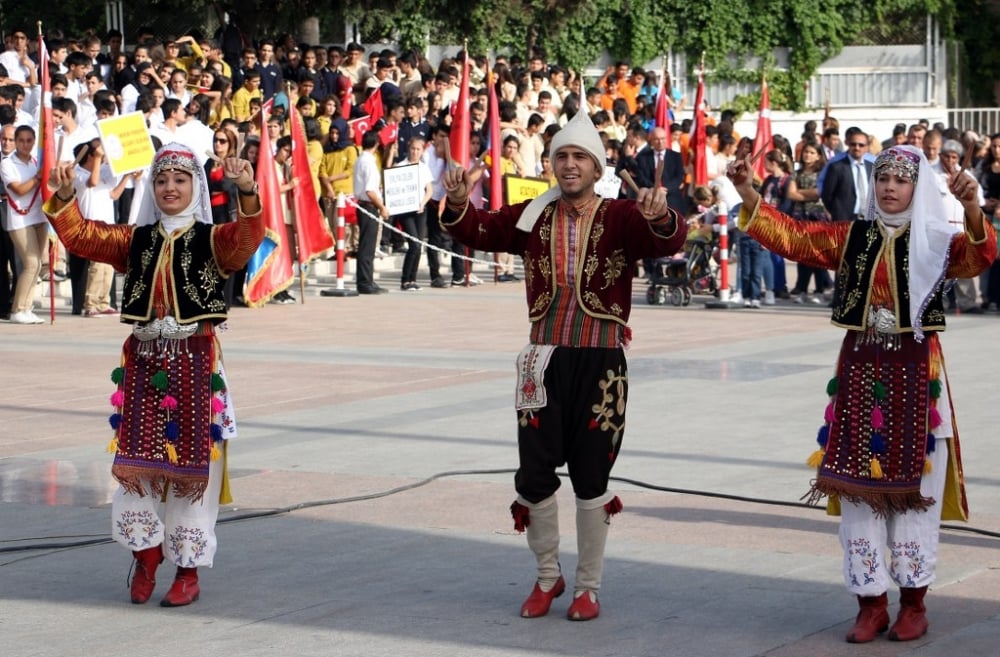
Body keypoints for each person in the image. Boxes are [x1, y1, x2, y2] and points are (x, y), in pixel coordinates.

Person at [726, 145, 995, 644]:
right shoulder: (853, 237)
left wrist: (974, 209)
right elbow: (795, 237)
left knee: (919, 493)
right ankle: (870, 603)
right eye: (883, 179)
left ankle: (914, 602)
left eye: (901, 180)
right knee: (858, 491)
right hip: (861, 373)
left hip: (918, 375)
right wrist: (747, 192)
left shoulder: (939, 240)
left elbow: (981, 256)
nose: (890, 187)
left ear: (918, 188)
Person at [440, 109, 686, 621]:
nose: (569, 165)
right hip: (542, 359)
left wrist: (660, 215)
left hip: (602, 364)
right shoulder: (532, 216)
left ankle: (588, 587)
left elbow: (666, 241)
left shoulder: (621, 216)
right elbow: (478, 230)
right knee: (534, 472)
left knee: (592, 473)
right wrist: (461, 201)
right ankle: (548, 577)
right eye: (562, 157)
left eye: (579, 157)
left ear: (598, 169)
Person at [42, 142, 264, 607]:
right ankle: (146, 553)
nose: (169, 188)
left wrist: (246, 190)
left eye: (180, 180)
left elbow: (246, 242)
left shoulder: (211, 239)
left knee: (193, 471)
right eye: (162, 180)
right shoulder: (136, 240)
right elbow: (83, 237)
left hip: (196, 363)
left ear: (195, 187)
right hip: (144, 367)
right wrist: (65, 199)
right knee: (136, 467)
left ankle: (187, 569)